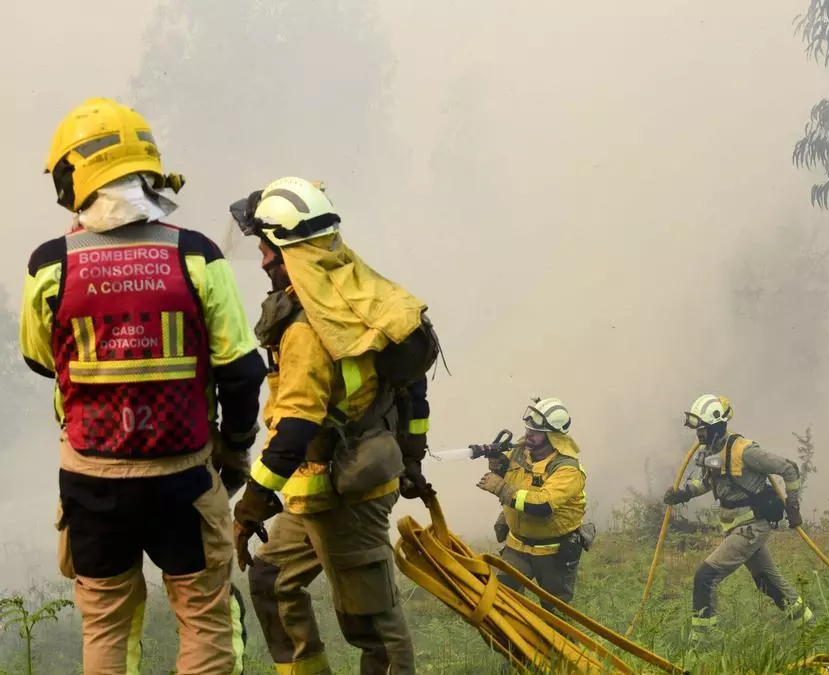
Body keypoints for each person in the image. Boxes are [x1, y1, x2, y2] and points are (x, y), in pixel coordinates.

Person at [20, 97, 265, 674]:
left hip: (91, 480)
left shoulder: (50, 264)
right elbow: (241, 369)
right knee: (205, 619)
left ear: (74, 177)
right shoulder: (197, 254)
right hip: (184, 475)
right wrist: (234, 448)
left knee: (106, 626)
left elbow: (40, 359)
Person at [230, 177, 430, 674]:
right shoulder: (361, 295)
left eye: (266, 249)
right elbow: (414, 388)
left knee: (372, 626)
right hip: (316, 490)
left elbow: (295, 428)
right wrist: (412, 457)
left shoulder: (307, 326)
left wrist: (252, 501)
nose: (262, 261)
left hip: (349, 496)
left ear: (289, 251)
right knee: (271, 580)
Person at [662, 394, 812, 641]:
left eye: (703, 430)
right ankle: (811, 628)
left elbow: (789, 468)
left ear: (716, 427)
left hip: (751, 528)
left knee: (705, 577)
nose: (699, 436)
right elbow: (708, 482)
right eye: (698, 430)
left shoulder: (744, 451)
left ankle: (704, 643)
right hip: (737, 527)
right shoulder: (713, 451)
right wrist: (683, 494)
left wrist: (793, 505)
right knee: (768, 582)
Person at [474, 397, 591, 613]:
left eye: (536, 432)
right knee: (502, 604)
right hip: (516, 546)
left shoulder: (567, 469)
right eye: (528, 429)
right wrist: (500, 466)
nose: (529, 434)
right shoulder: (520, 452)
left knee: (555, 613)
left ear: (554, 437)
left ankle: (557, 635)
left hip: (553, 552)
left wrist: (502, 489)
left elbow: (542, 505)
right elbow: (516, 480)